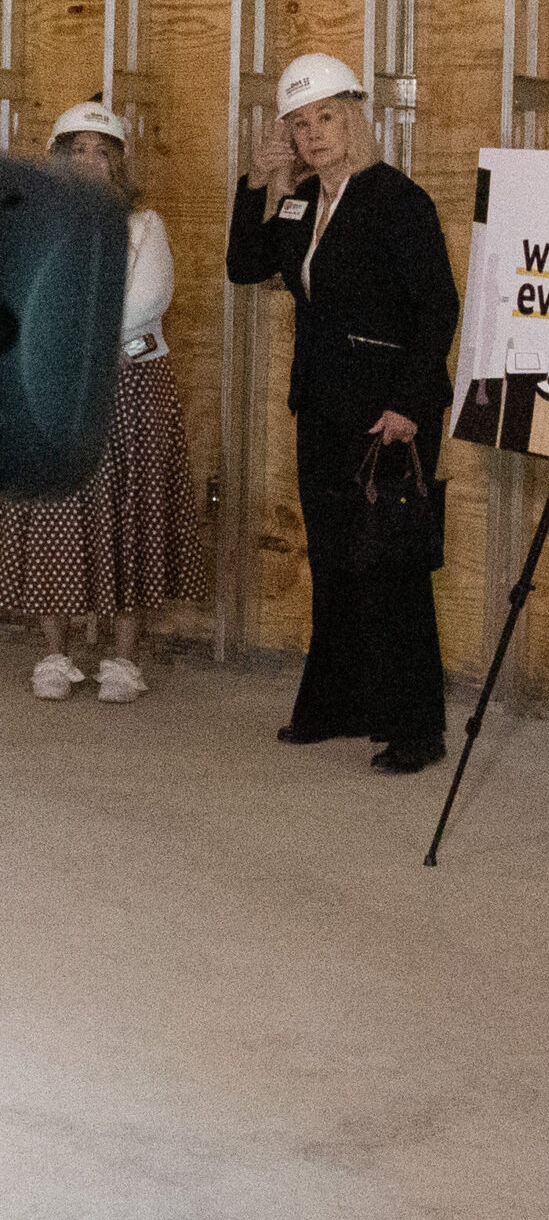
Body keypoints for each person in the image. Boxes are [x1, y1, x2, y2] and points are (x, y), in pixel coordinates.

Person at [225, 52, 459, 773]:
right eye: (299, 125)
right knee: (332, 562)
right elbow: (243, 266)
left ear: (354, 119)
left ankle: (417, 729)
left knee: (392, 567)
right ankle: (337, 705)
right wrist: (254, 185)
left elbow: (437, 307)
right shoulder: (299, 202)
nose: (314, 135)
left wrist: (410, 406)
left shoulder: (396, 199)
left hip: (385, 412)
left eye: (326, 118)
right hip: (321, 406)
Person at [2, 101, 208, 701]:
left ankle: (122, 659)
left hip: (134, 387)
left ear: (117, 162)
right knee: (56, 515)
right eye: (77, 149)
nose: (90, 161)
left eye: (102, 150)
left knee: (133, 510)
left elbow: (143, 302)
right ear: (58, 158)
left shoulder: (145, 226)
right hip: (55, 389)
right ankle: (54, 653)